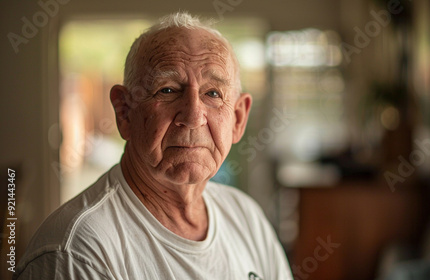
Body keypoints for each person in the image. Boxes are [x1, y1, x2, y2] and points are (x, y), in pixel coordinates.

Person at [14, 12, 292, 280]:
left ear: (238, 119)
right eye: (168, 90)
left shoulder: (246, 217)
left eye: (213, 93)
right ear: (125, 111)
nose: (194, 117)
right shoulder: (77, 252)